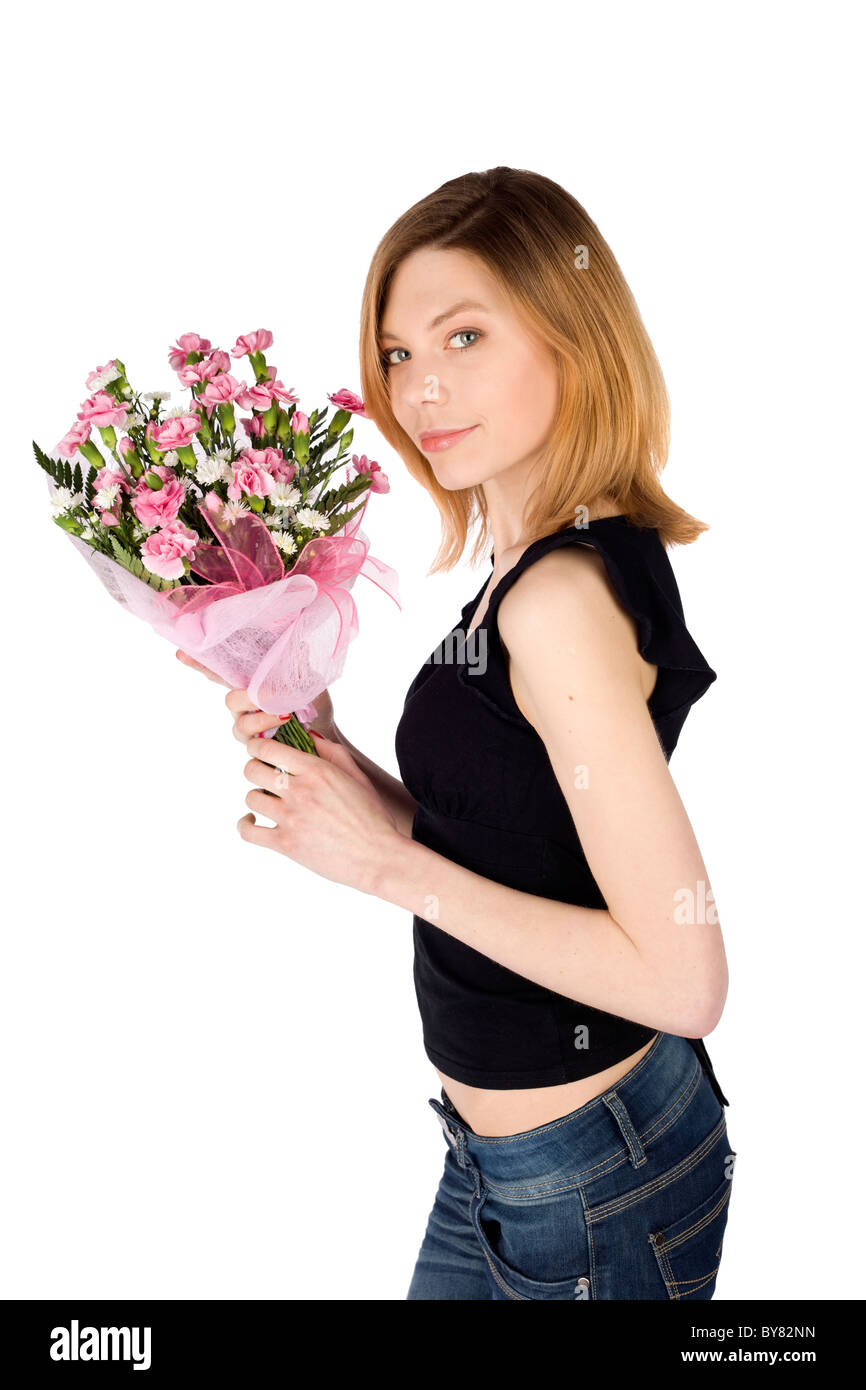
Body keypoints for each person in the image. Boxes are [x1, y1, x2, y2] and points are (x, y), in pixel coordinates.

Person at [177, 167, 736, 1300]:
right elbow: (509, 836)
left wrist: (381, 864)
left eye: (463, 335)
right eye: (395, 354)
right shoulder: (531, 568)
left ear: (568, 338)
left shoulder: (553, 603)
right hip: (509, 1164)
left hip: (592, 1186)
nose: (421, 389)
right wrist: (336, 765)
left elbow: (683, 980)